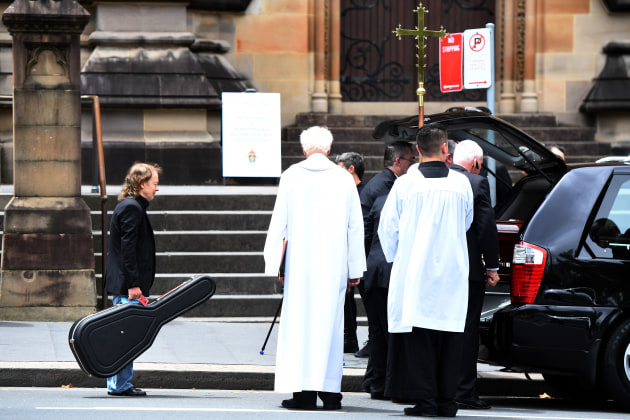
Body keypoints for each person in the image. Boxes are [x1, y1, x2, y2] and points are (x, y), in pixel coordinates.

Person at [263, 126, 366, 411]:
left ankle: (304, 393)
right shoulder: (343, 179)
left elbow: (278, 221)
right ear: (330, 149)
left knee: (300, 328)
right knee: (331, 328)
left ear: (303, 148)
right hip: (333, 264)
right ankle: (331, 393)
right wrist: (355, 267)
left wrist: (274, 262)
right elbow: (355, 226)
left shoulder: (292, 176)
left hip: (301, 265)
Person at [379, 123, 473, 417]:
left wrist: (399, 258)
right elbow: (467, 223)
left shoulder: (406, 184)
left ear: (417, 150)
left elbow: (387, 229)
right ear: (446, 149)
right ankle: (447, 402)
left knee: (419, 338)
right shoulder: (461, 184)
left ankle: (426, 401)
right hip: (452, 271)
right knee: (449, 339)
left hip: (416, 270)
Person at [450, 140, 501, 410]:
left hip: (439, 270)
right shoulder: (477, 183)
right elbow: (486, 228)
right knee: (467, 331)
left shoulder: (439, 180)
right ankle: (464, 392)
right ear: (477, 163)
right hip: (468, 270)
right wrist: (492, 266)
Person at [105, 162, 161, 397]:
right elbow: (128, 251)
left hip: (128, 284)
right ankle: (119, 385)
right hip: (128, 287)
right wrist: (134, 285)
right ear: (141, 184)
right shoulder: (132, 208)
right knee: (125, 337)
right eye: (155, 184)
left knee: (125, 335)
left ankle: (119, 383)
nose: (157, 189)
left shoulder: (132, 206)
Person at [356, 141, 415, 359]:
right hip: (376, 260)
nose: (412, 165)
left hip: (372, 258)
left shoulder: (386, 182)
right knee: (381, 321)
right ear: (398, 161)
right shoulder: (387, 186)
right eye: (411, 160)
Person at [336, 151, 366, 353]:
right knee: (346, 301)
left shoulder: (363, 192)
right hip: (345, 252)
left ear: (350, 169)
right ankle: (349, 337)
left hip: (362, 252)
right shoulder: (342, 192)